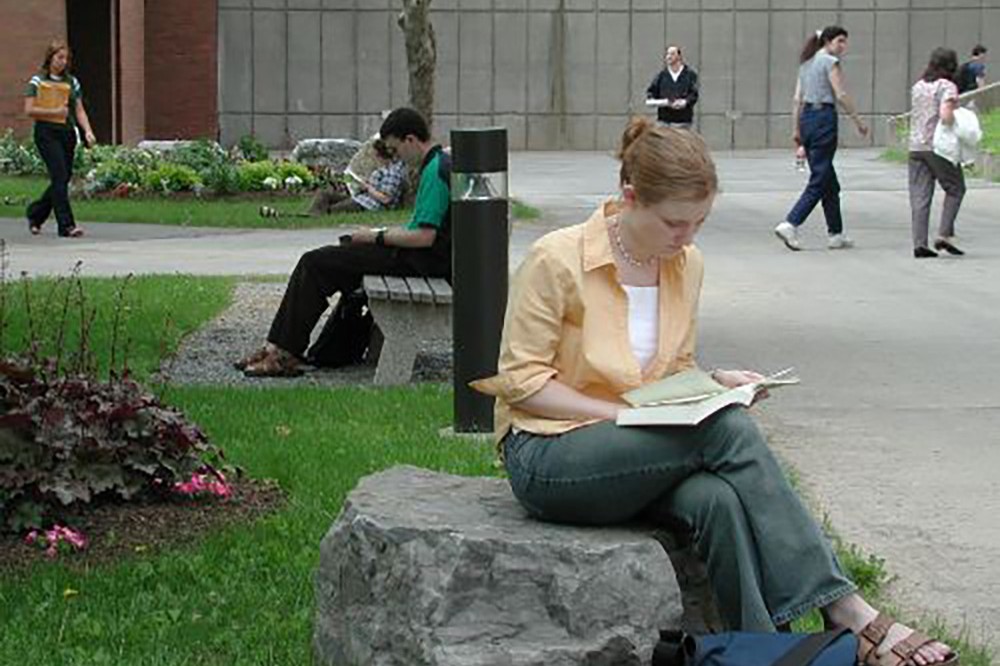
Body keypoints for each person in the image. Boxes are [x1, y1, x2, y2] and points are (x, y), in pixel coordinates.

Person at [473, 118, 958, 666]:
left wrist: (715, 382)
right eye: (674, 222)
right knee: (724, 429)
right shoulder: (556, 258)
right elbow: (523, 385)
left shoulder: (686, 264)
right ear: (630, 197)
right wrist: (621, 414)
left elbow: (668, 370)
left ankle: (769, 652)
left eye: (700, 222)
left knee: (718, 500)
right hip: (547, 453)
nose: (687, 237)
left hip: (636, 451)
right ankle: (844, 608)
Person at [235, 107, 450, 377]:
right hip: (423, 260)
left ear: (410, 140)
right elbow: (422, 229)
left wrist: (376, 236)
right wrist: (376, 234)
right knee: (341, 252)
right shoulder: (439, 164)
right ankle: (276, 347)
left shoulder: (435, 170)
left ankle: (283, 352)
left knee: (314, 263)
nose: (397, 158)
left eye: (395, 150)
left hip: (422, 263)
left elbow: (425, 237)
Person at [775, 26, 868, 252]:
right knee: (820, 177)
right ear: (827, 41)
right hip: (824, 118)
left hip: (807, 117)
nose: (843, 46)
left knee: (829, 182)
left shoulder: (806, 64)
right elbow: (841, 94)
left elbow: (797, 99)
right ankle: (791, 223)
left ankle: (836, 233)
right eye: (840, 41)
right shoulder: (829, 62)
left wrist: (796, 129)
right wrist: (858, 120)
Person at [23, 40, 97, 238]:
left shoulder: (71, 82)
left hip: (66, 132)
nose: (63, 62)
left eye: (66, 58)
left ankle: (36, 214)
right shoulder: (38, 81)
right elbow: (29, 109)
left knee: (63, 178)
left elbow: (79, 109)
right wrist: (53, 112)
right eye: (59, 57)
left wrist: (88, 131)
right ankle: (66, 225)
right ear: (50, 58)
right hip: (46, 133)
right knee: (59, 175)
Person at [908, 48, 966, 259]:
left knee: (920, 196)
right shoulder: (947, 86)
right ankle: (944, 235)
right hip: (937, 147)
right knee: (956, 188)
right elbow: (945, 115)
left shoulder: (918, 86)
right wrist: (958, 122)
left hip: (916, 146)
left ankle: (919, 244)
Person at [258, 139, 407, 219]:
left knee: (331, 211)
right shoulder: (383, 169)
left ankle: (288, 216)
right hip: (361, 198)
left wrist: (368, 188)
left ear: (381, 155)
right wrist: (363, 185)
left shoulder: (392, 172)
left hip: (368, 204)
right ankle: (310, 214)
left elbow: (386, 199)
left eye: (374, 154)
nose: (372, 157)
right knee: (324, 194)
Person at [645, 45, 699, 129]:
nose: (669, 56)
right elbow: (651, 94)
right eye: (667, 54)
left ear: (679, 57)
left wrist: (684, 102)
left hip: (683, 121)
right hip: (664, 121)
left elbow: (693, 94)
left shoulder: (690, 75)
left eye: (672, 54)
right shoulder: (661, 76)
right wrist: (662, 102)